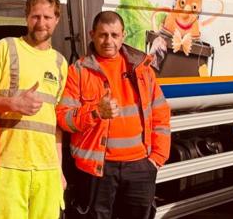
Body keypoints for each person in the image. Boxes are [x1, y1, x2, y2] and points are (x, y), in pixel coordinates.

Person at [56, 11, 171, 219]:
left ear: (123, 35)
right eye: (103, 35)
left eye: (114, 35)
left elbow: (160, 113)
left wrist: (156, 158)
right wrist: (95, 112)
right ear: (92, 34)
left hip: (140, 167)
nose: (108, 41)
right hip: (96, 170)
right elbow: (64, 119)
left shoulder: (142, 69)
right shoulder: (79, 71)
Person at [0, 0, 68, 219]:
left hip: (47, 169)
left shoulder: (60, 63)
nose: (41, 23)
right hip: (8, 166)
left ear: (57, 19)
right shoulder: (6, 48)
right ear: (26, 17)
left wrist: (59, 169)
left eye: (47, 17)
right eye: (35, 16)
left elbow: (55, 122)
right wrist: (11, 103)